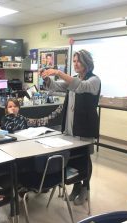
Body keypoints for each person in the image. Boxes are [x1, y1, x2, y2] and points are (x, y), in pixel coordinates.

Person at [39, 49, 101, 205]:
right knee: (73, 156)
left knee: (84, 157)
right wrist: (47, 78)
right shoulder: (72, 78)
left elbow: (79, 86)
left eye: (78, 61)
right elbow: (56, 87)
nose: (76, 64)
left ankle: (86, 188)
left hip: (85, 126)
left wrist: (58, 72)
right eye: (74, 61)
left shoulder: (94, 80)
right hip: (70, 126)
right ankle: (76, 186)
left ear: (87, 62)